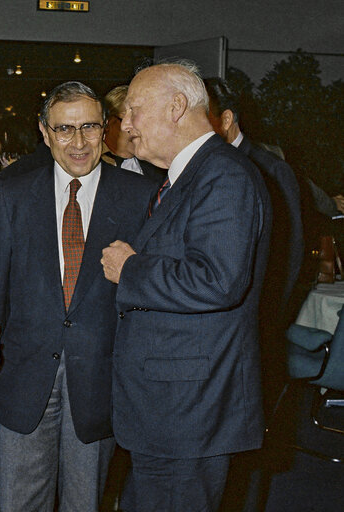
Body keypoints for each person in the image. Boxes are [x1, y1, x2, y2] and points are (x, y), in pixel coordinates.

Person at [100, 61, 271, 512]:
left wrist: (130, 269)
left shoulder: (224, 175)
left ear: (176, 107)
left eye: (134, 110)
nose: (126, 125)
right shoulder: (192, 175)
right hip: (170, 410)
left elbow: (217, 280)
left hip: (188, 412)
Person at [0, 81, 155, 512]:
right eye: (64, 130)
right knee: (19, 503)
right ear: (44, 132)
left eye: (89, 127)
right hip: (22, 379)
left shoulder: (142, 198)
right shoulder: (12, 195)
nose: (78, 142)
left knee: (87, 503)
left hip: (102, 382)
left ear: (107, 129)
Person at [205, 76, 304, 406]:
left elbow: (289, 256)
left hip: (255, 324)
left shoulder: (270, 170)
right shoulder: (195, 170)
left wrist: (268, 321)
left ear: (227, 120)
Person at [103, 85, 166, 185]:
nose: (139, 130)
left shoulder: (159, 169)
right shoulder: (87, 161)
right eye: (132, 121)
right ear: (109, 123)